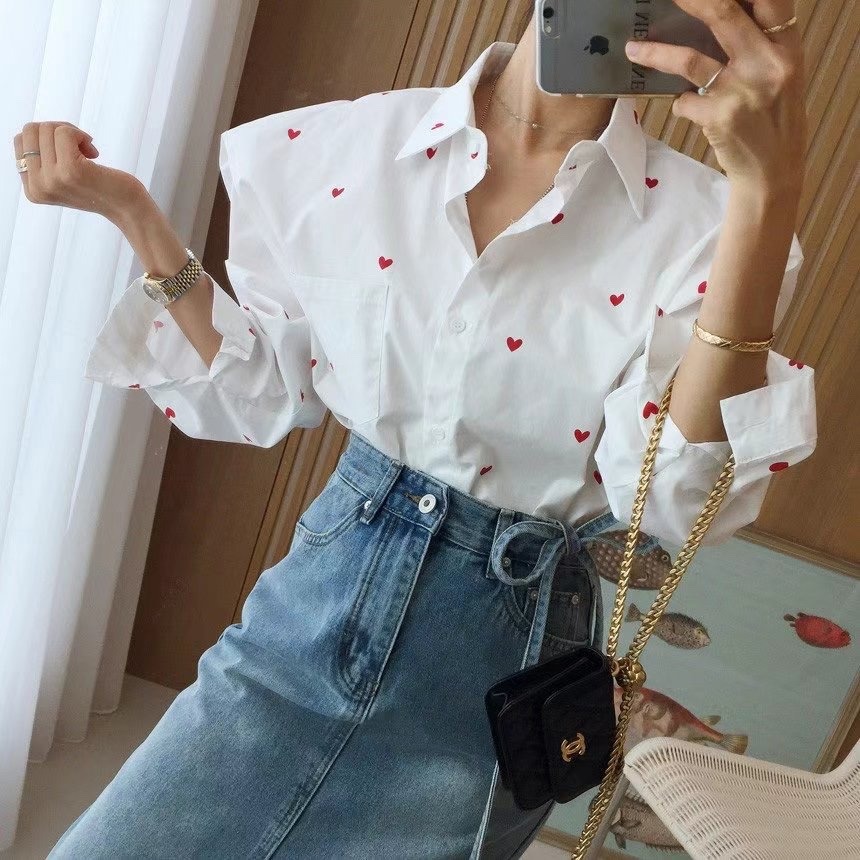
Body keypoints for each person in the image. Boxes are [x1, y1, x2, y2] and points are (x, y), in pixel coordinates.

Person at [17, 2, 815, 858]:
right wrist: (136, 218)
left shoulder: (709, 227)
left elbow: (673, 498)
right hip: (316, 608)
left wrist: (767, 193)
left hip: (502, 667)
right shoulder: (338, 152)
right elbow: (263, 391)